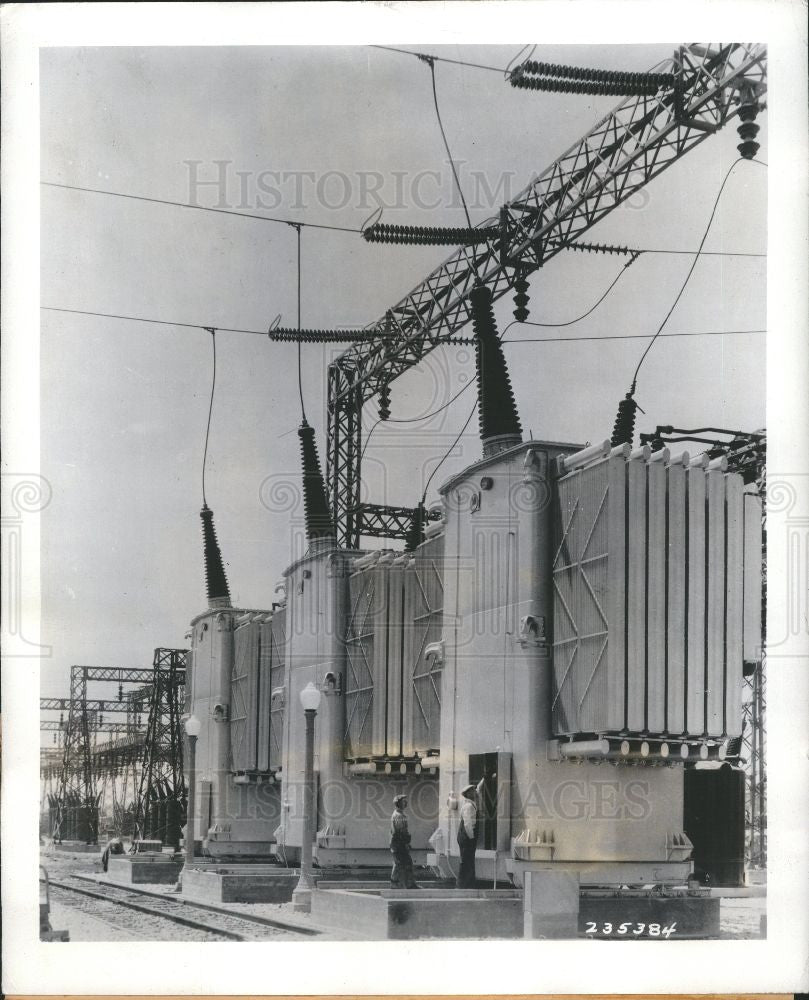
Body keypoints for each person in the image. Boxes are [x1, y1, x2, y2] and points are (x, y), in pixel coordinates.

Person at [389, 794, 419, 889]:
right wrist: (406, 843)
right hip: (399, 843)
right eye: (403, 801)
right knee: (404, 863)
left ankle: (397, 883)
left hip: (396, 843)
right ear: (399, 803)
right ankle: (407, 884)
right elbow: (402, 832)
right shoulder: (399, 816)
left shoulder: (398, 814)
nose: (405, 803)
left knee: (400, 863)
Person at [456, 784, 478, 889]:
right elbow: (468, 824)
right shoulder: (469, 806)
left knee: (468, 860)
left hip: (465, 835)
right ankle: (462, 885)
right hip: (467, 836)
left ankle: (468, 884)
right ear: (468, 794)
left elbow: (479, 788)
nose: (475, 792)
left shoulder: (469, 804)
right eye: (473, 791)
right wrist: (472, 837)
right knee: (466, 860)